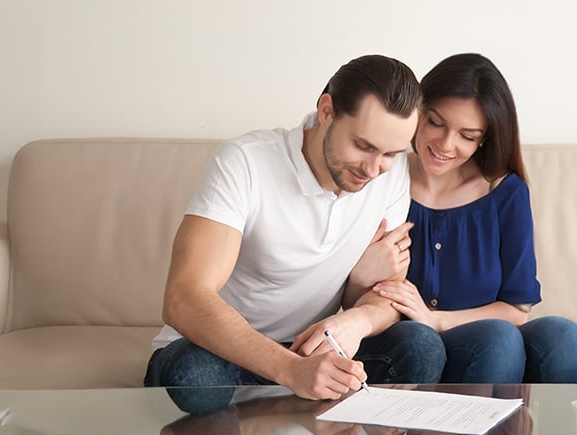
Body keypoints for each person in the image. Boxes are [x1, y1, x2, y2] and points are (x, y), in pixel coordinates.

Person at [145, 54, 448, 413]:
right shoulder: (245, 163)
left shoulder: (390, 175)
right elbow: (184, 298)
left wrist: (356, 321)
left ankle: (274, 415)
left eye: (391, 154)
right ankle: (287, 414)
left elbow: (387, 295)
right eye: (363, 146)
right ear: (326, 111)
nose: (372, 169)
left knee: (421, 345)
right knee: (194, 377)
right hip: (222, 351)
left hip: (313, 350)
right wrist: (291, 369)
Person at [367, 53, 577, 384]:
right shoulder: (381, 174)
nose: (445, 144)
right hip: (408, 348)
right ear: (418, 112)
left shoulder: (505, 191)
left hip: (478, 342)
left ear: (485, 138)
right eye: (435, 123)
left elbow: (516, 309)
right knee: (497, 340)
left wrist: (435, 319)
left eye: (467, 136)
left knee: (561, 333)